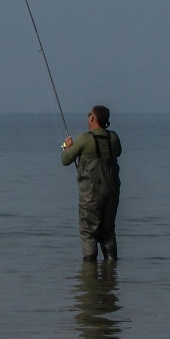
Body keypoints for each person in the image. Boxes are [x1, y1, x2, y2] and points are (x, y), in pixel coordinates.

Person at [61, 106, 122, 261]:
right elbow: (118, 152)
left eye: (89, 114)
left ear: (93, 118)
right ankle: (111, 269)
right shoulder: (114, 137)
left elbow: (65, 160)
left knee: (88, 232)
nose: (88, 117)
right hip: (112, 193)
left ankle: (90, 272)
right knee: (108, 232)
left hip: (91, 195)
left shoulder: (84, 138)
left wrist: (66, 147)